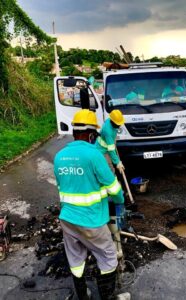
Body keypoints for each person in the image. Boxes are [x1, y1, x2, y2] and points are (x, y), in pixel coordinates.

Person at [54, 109, 125, 300]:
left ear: (74, 132)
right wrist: (121, 202)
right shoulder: (94, 156)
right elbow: (114, 189)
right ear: (92, 133)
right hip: (92, 221)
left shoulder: (59, 156)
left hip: (68, 220)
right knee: (108, 258)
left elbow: (65, 188)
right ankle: (107, 297)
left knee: (76, 260)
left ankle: (83, 296)